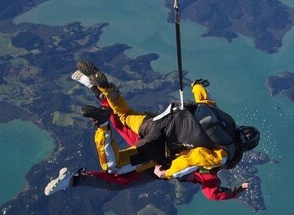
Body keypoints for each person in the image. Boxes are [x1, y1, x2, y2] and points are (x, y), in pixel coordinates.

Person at [44, 60, 258, 199]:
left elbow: (204, 100)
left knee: (122, 117)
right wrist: (166, 172)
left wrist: (197, 85)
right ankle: (96, 135)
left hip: (158, 122)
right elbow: (197, 168)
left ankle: (101, 89)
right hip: (158, 156)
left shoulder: (221, 122)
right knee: (116, 175)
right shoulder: (219, 157)